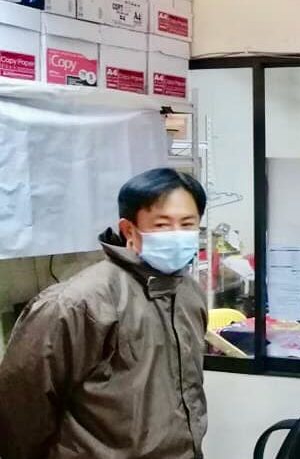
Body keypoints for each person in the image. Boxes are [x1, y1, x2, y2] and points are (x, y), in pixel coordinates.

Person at [0, 168, 209, 459]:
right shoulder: (80, 303)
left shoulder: (189, 294)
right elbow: (23, 406)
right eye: (162, 225)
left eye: (187, 224)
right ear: (129, 230)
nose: (177, 234)